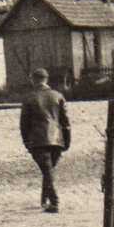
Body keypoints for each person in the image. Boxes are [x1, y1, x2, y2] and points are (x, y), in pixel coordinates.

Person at [20, 67, 71, 213]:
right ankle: (44, 199)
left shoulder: (29, 98)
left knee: (47, 170)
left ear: (33, 80)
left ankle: (54, 202)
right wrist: (67, 141)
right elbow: (65, 121)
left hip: (37, 140)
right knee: (48, 170)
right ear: (46, 80)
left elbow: (24, 124)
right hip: (57, 139)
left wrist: (26, 142)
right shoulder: (58, 96)